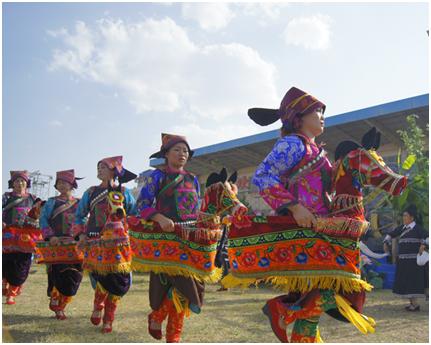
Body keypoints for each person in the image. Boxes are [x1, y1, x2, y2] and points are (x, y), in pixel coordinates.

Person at [250, 86, 335, 342]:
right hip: (302, 232)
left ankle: (284, 312)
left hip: (320, 229)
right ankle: (282, 311)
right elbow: (262, 176)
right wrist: (294, 207)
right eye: (316, 111)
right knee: (321, 296)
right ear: (299, 117)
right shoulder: (292, 144)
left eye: (323, 112)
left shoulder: (317, 151)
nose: (322, 116)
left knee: (313, 299)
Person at [138, 133, 202, 343]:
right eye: (177, 150)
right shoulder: (155, 176)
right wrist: (159, 217)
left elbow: (197, 210)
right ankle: (161, 322)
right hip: (164, 239)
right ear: (166, 154)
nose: (182, 154)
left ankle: (170, 333)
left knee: (185, 289)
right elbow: (142, 205)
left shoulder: (193, 179)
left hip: (189, 239)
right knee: (173, 285)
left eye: (185, 151)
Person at [73, 156, 137, 333]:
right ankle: (98, 304)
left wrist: (125, 227)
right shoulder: (91, 192)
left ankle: (109, 318)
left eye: (103, 167)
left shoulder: (125, 192)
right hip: (95, 242)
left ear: (114, 171)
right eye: (98, 167)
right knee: (101, 278)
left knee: (118, 281)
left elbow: (135, 215)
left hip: (119, 245)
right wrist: (81, 235)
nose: (99, 170)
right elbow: (79, 215)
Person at [39, 169, 83, 320]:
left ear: (72, 185)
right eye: (59, 183)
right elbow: (43, 219)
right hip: (56, 245)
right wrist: (50, 236)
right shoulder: (52, 202)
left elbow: (84, 220)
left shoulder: (80, 202)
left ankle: (62, 303)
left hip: (75, 245)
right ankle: (58, 307)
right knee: (59, 274)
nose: (62, 185)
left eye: (65, 182)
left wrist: (83, 235)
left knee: (76, 276)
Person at [2, 171, 39, 305]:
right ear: (12, 183)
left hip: (26, 236)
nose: (19, 183)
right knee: (6, 262)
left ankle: (12, 294)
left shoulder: (33, 198)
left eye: (22, 180)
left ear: (27, 182)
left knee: (22, 264)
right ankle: (5, 282)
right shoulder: (6, 197)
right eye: (16, 181)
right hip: (8, 235)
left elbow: (40, 213)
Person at [384, 204, 427, 311]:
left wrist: (424, 245)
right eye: (403, 216)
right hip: (403, 262)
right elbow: (390, 234)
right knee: (406, 283)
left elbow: (427, 238)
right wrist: (385, 242)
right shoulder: (402, 228)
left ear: (412, 218)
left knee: (413, 283)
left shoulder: (418, 229)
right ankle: (412, 304)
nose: (404, 218)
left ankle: (415, 304)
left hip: (414, 263)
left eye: (406, 216)